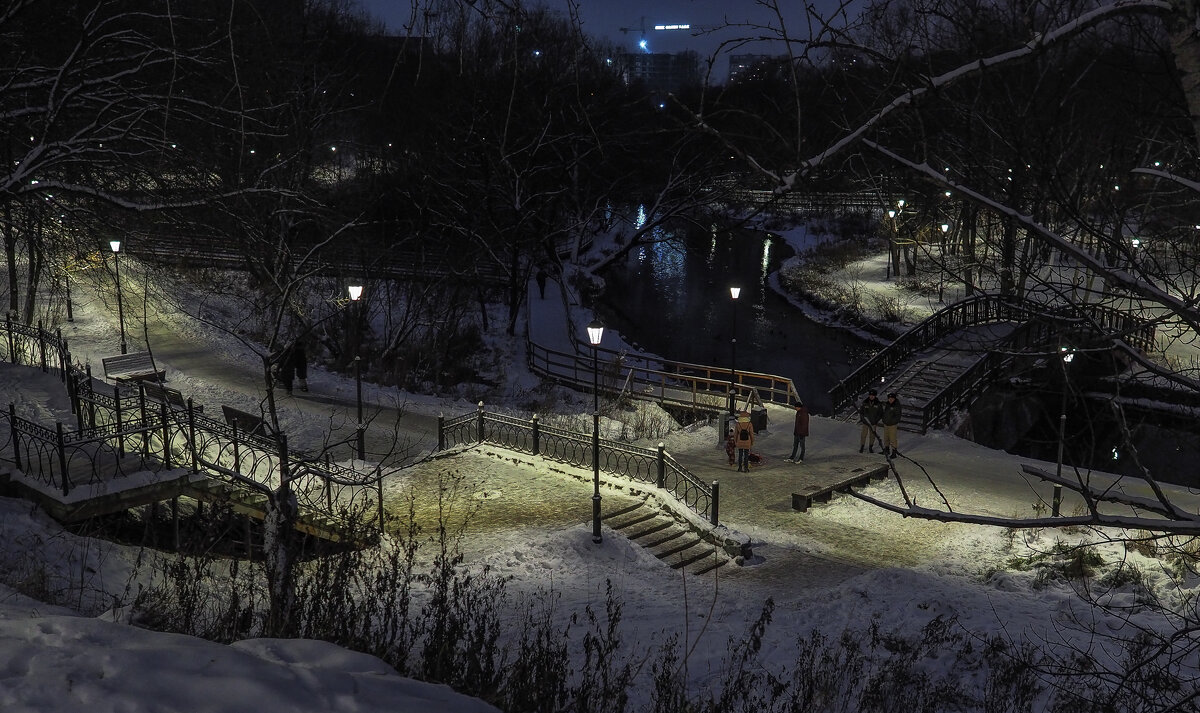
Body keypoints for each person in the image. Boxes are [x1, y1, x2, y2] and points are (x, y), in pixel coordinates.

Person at [859, 389, 882, 453]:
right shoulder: (865, 402)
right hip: (866, 422)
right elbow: (861, 412)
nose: (871, 397)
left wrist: (876, 420)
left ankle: (870, 447)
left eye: (873, 395)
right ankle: (862, 446)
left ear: (875, 396)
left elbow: (880, 413)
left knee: (872, 435)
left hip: (873, 422)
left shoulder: (878, 403)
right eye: (870, 395)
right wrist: (863, 419)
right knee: (863, 435)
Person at [881, 392, 903, 458]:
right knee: (886, 437)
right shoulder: (887, 404)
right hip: (886, 424)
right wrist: (884, 420)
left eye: (892, 398)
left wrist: (892, 422)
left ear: (894, 399)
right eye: (889, 398)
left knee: (893, 439)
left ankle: (894, 452)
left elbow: (898, 416)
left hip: (892, 425)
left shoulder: (896, 406)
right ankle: (887, 449)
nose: (890, 400)